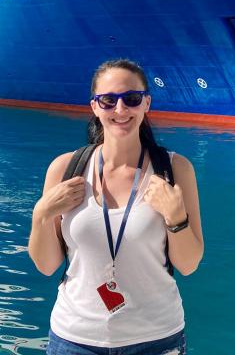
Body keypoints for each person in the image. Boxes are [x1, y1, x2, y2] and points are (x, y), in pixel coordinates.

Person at [28, 59, 203, 355]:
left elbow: (188, 265)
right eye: (108, 101)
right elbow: (46, 266)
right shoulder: (65, 169)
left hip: (156, 338)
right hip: (75, 339)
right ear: (94, 107)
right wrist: (41, 214)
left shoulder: (175, 169)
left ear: (146, 103)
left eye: (131, 99)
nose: (120, 110)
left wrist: (176, 217)